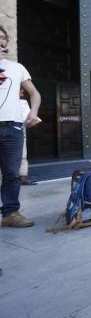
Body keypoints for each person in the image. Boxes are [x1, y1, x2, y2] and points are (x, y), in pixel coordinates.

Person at [0, 24, 41, 227]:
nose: (1, 41)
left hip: (13, 128)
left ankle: (10, 213)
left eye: (3, 38)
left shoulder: (16, 68)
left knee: (11, 174)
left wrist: (33, 112)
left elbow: (34, 93)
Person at [19, 87, 38, 185]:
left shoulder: (23, 103)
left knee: (22, 155)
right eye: (20, 89)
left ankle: (23, 177)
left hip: (21, 131)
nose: (22, 91)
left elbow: (30, 120)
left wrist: (32, 121)